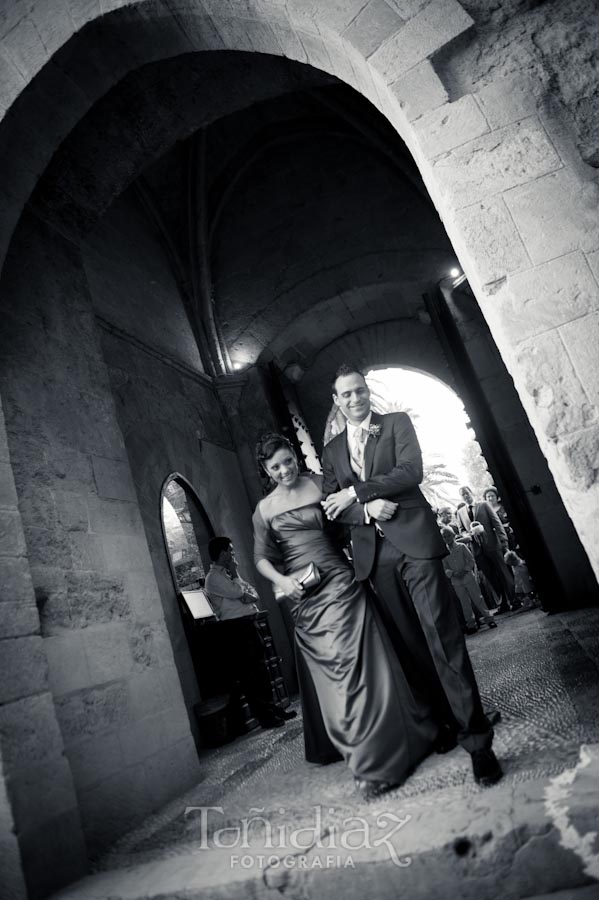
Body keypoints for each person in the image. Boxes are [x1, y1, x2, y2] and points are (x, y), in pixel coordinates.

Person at [320, 364, 502, 788]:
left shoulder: (396, 423)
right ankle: (443, 724)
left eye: (359, 391)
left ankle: (478, 742)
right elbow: (331, 506)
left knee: (442, 636)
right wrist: (365, 509)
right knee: (410, 647)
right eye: (345, 394)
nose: (354, 399)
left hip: (415, 545)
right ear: (337, 401)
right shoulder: (330, 451)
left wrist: (359, 491)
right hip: (373, 557)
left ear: (367, 393)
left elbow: (410, 472)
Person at [252, 433, 439, 799]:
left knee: (362, 665)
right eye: (275, 467)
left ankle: (380, 756)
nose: (284, 470)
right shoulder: (263, 509)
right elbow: (261, 557)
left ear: (296, 457)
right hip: (303, 596)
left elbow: (351, 515)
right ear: (266, 470)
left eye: (288, 461)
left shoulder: (322, 485)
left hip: (339, 578)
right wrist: (282, 581)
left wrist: (369, 512)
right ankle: (361, 753)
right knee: (333, 678)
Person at [205, 536, 296, 729]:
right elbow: (239, 593)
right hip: (235, 629)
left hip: (249, 624)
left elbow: (253, 594)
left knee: (262, 671)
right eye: (230, 550)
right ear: (222, 553)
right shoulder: (213, 578)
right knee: (251, 675)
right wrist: (237, 578)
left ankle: (274, 709)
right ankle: (266, 717)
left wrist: (240, 584)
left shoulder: (229, 574)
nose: (233, 553)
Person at [456, 486, 517, 613]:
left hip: (493, 545)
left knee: (503, 572)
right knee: (491, 577)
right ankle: (503, 603)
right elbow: (461, 530)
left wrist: (503, 541)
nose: (465, 496)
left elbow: (496, 523)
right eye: (463, 495)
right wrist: (467, 535)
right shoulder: (460, 512)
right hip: (477, 550)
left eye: (467, 493)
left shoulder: (483, 505)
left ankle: (515, 600)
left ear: (471, 492)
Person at [441, 527, 498, 633]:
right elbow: (444, 568)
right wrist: (452, 573)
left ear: (453, 535)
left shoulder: (461, 547)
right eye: (444, 537)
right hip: (456, 581)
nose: (447, 538)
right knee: (464, 603)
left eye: (448, 535)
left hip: (468, 577)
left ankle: (489, 619)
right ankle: (471, 624)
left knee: (478, 599)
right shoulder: (444, 552)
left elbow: (471, 560)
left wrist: (465, 570)